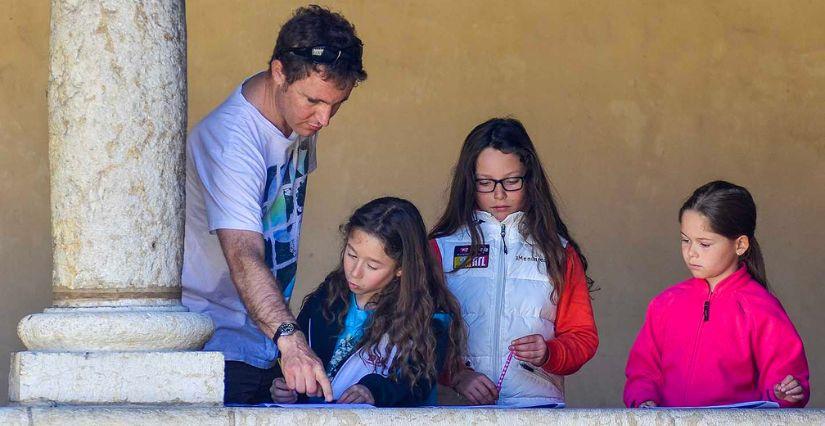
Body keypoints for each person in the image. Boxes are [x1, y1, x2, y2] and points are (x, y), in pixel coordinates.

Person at [181, 5, 367, 404]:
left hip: (262, 343)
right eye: (314, 102)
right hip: (216, 348)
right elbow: (244, 253)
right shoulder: (232, 143)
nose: (325, 119)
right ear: (279, 71)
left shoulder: (297, 120)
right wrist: (291, 339)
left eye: (337, 105)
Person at [429, 117, 598, 407]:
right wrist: (456, 375)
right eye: (485, 182)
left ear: (529, 178)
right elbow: (415, 331)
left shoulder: (559, 252)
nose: (498, 194)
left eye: (510, 181)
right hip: (456, 409)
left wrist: (549, 353)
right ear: (468, 182)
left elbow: (582, 336)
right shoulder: (439, 248)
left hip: (536, 408)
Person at [624, 181, 810, 408]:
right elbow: (643, 370)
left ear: (740, 245)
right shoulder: (665, 304)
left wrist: (785, 394)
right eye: (685, 240)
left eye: (704, 244)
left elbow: (784, 380)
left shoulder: (761, 308)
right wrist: (644, 401)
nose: (691, 252)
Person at [269, 197, 467, 406]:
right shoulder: (328, 296)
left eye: (372, 266)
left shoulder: (429, 319)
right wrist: (288, 388)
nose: (354, 272)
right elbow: (297, 356)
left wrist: (373, 391)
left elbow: (417, 384)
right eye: (351, 255)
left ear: (401, 268)